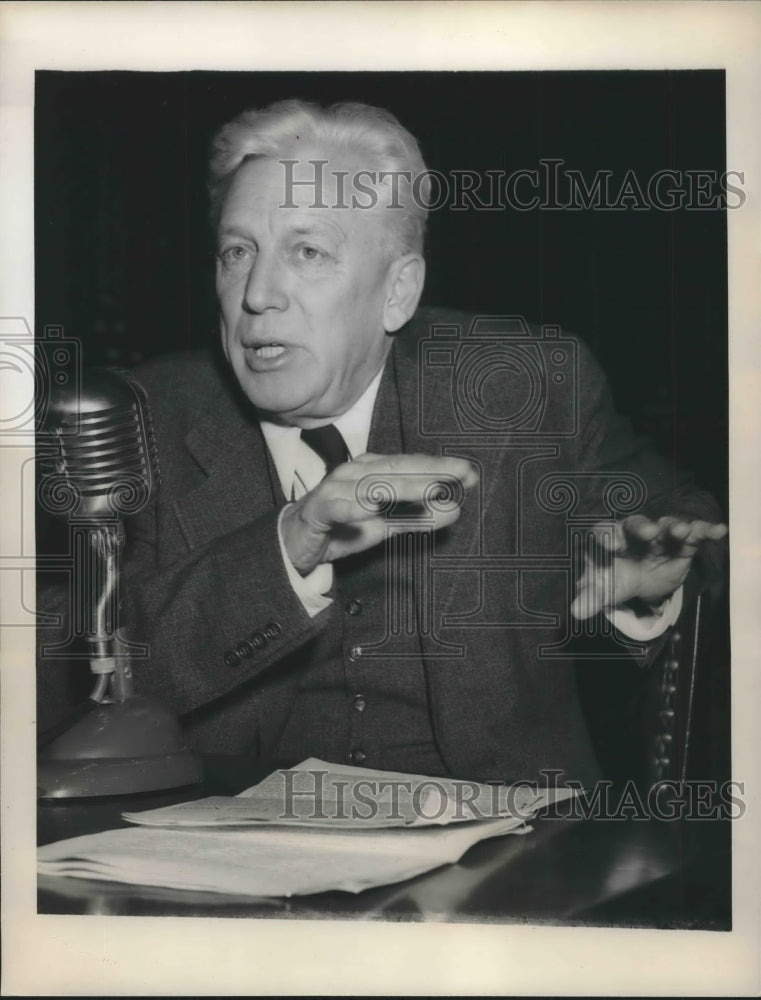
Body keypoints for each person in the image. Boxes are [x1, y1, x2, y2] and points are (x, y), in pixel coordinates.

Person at [37, 99, 727, 785]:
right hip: (228, 851)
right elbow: (58, 677)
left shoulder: (521, 386)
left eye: (307, 252)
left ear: (398, 292)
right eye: (237, 251)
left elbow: (699, 535)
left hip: (516, 844)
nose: (256, 296)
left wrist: (650, 588)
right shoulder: (141, 419)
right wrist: (288, 544)